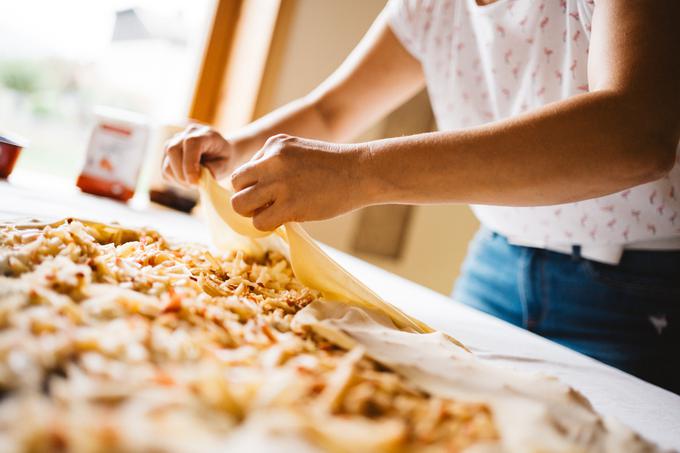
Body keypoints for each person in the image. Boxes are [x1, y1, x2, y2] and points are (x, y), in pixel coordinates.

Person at [163, 0, 680, 393]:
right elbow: (329, 111)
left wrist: (359, 174)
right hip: (495, 261)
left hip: (641, 289)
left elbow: (636, 132)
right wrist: (235, 151)